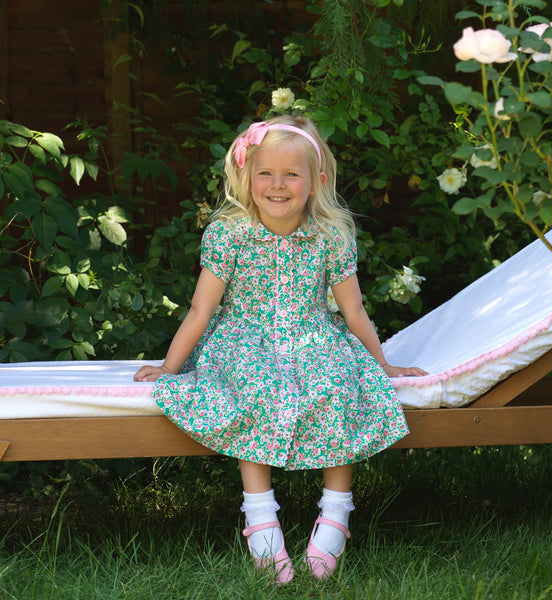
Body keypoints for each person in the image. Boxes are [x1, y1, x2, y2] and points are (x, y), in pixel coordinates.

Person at [134, 115, 427, 584]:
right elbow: (201, 310)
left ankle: (336, 512)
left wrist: (383, 365)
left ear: (316, 181)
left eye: (291, 174)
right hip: (244, 339)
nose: (277, 185)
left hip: (313, 336)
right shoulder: (229, 233)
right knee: (255, 388)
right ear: (246, 176)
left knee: (337, 385)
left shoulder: (330, 235)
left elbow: (353, 310)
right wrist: (170, 368)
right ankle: (260, 515)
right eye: (265, 173)